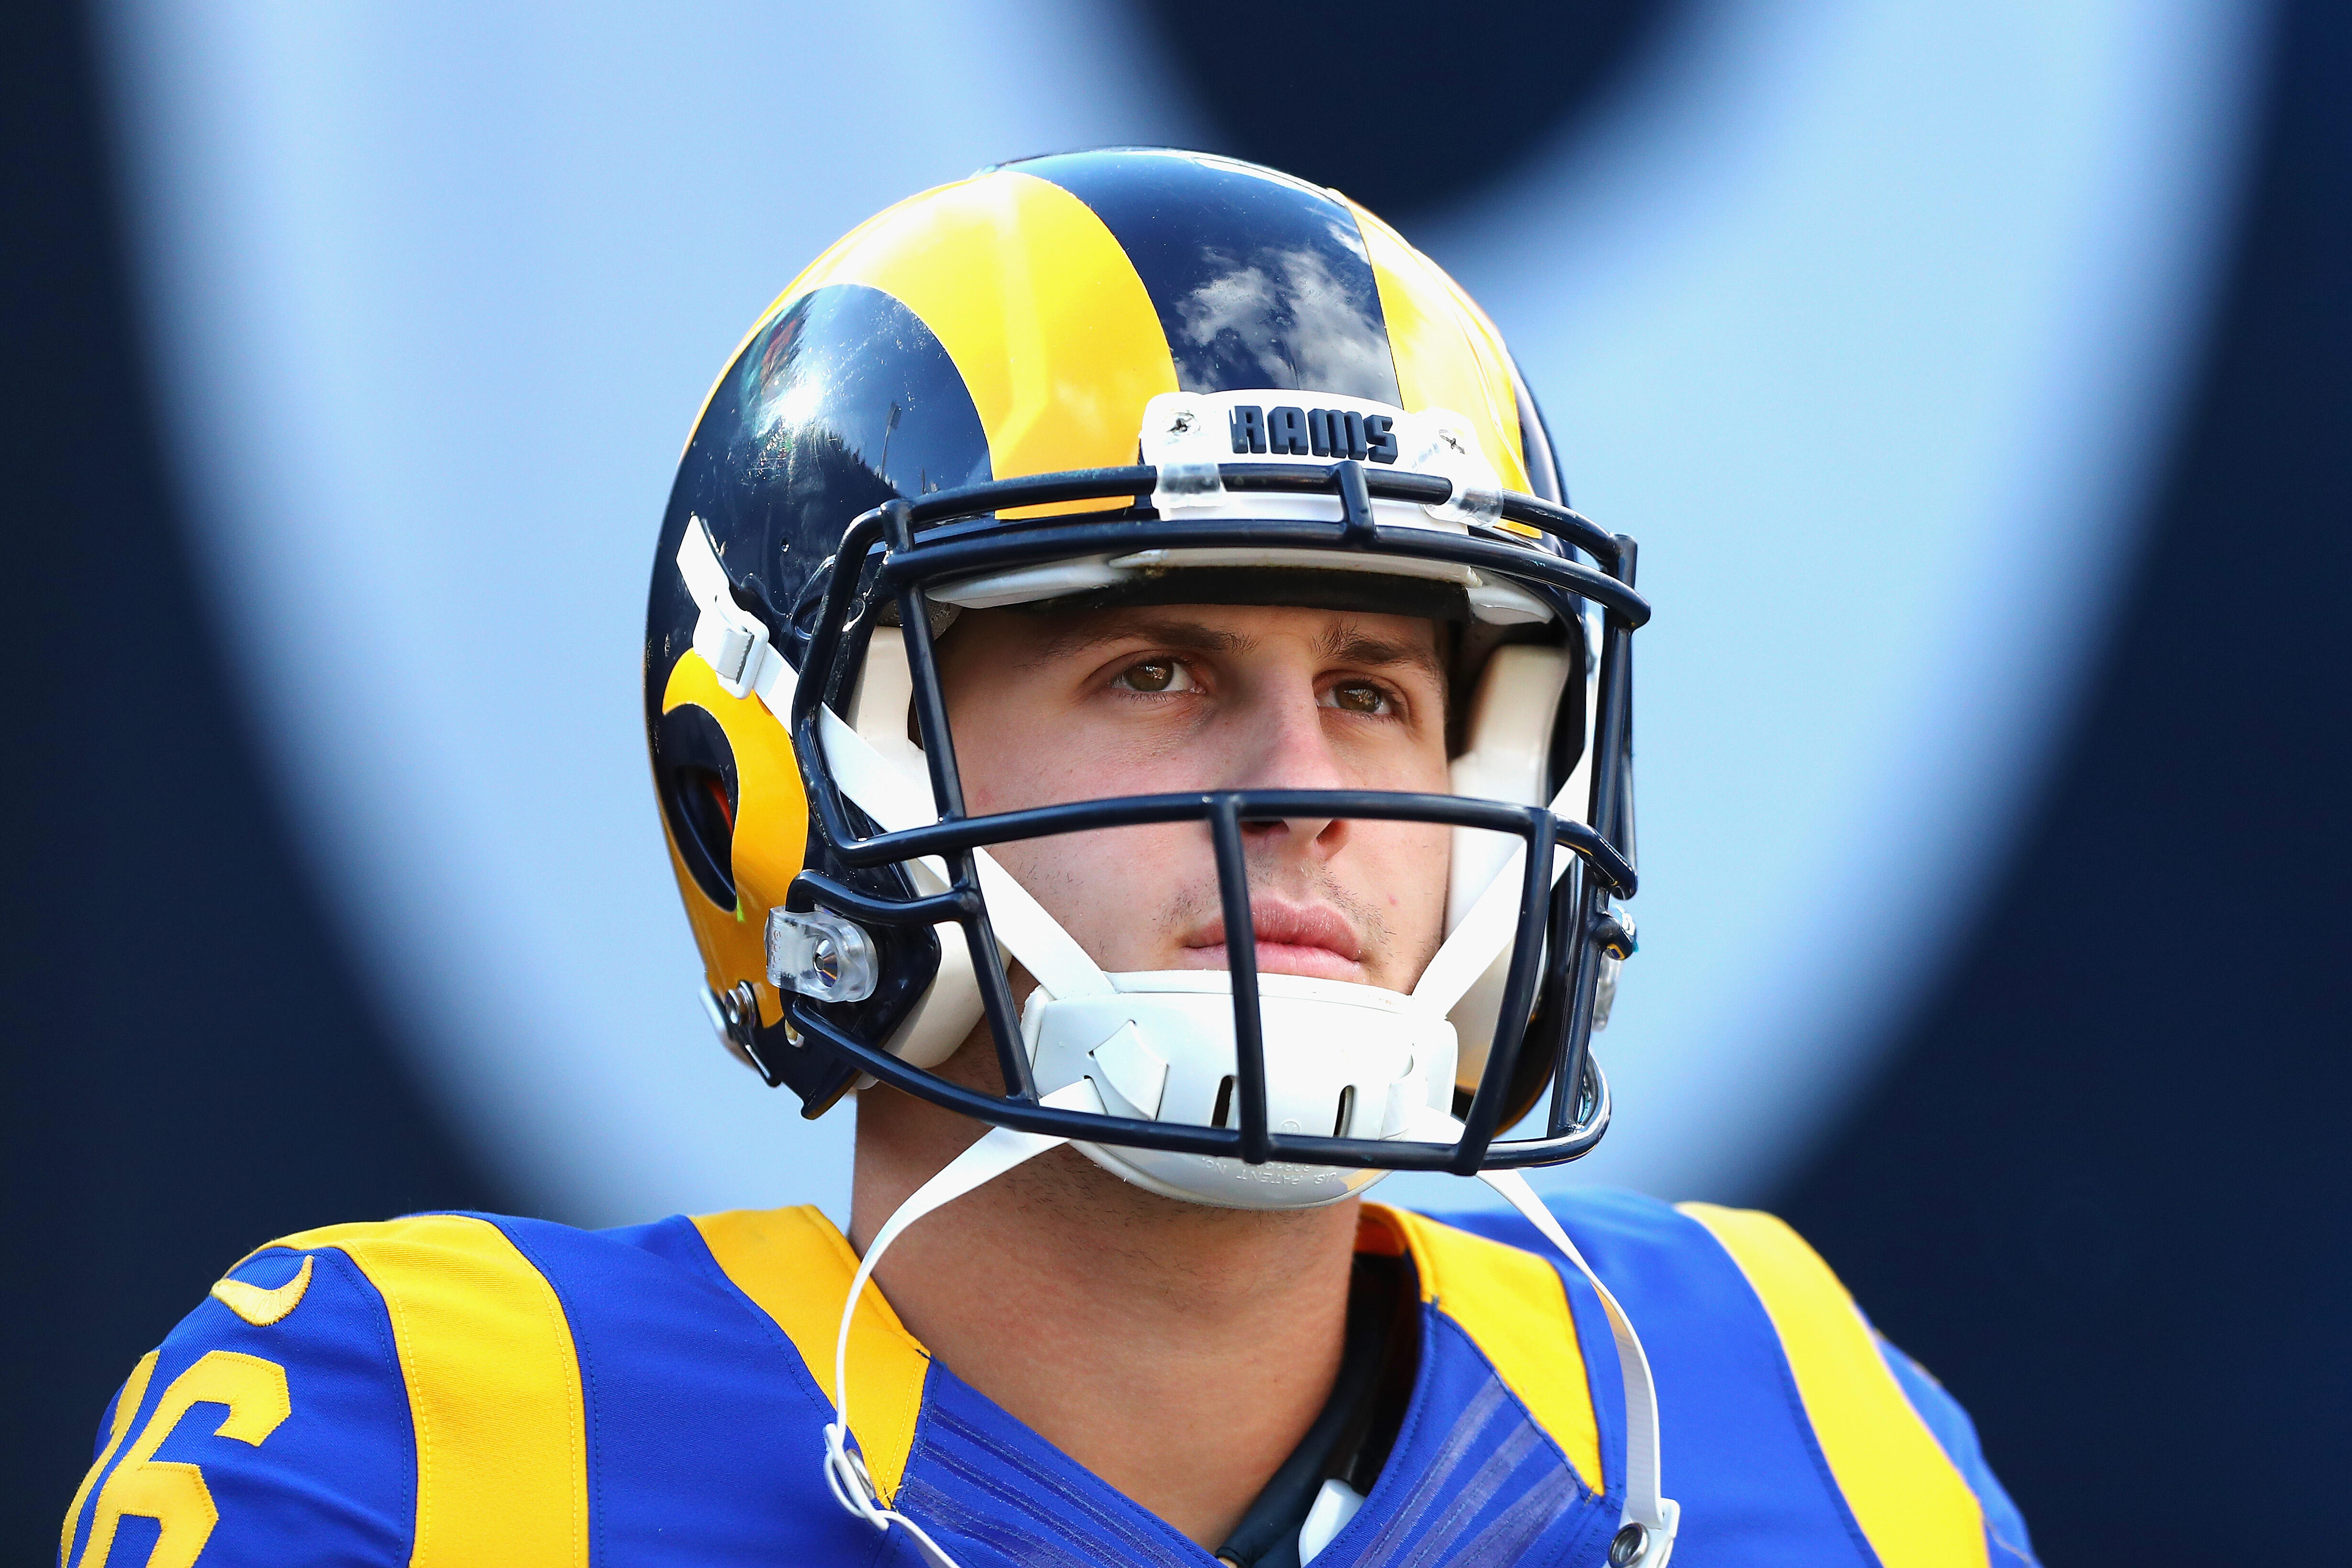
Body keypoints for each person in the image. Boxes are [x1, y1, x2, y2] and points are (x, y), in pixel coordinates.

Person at [57, 148, 2036, 1568]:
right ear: (794, 780)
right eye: (1155, 667)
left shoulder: (1783, 1417)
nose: (1300, 785)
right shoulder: (435, 1454)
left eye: (1373, 691)